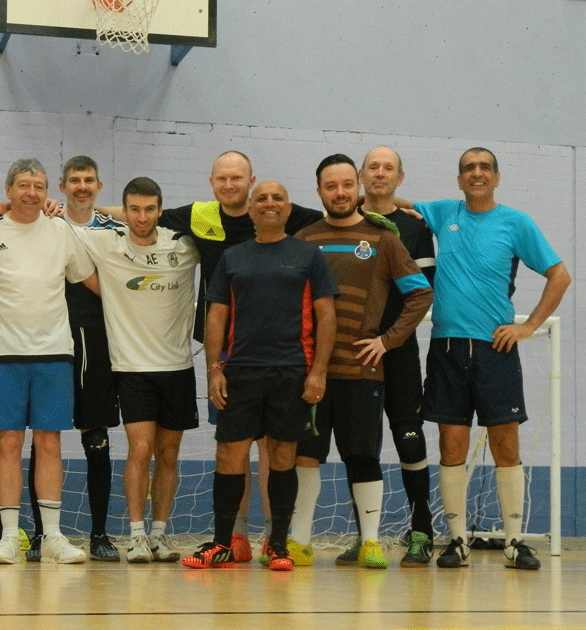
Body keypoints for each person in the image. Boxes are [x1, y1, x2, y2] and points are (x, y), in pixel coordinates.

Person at [99, 151, 323, 563]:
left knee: (274, 451)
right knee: (233, 450)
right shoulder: (200, 215)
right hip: (230, 357)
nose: (229, 185)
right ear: (212, 182)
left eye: (237, 178)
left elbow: (336, 212)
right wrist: (78, 207)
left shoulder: (282, 214)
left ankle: (275, 539)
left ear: (251, 182)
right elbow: (139, 212)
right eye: (222, 178)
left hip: (282, 357)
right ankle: (235, 537)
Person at [412, 147, 569, 570]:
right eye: (469, 168)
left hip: (495, 350)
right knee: (451, 444)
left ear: (497, 177)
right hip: (447, 348)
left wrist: (529, 325)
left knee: (505, 444)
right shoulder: (442, 212)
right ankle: (457, 540)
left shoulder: (516, 222)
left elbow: (559, 274)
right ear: (459, 179)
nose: (477, 173)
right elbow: (394, 204)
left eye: (485, 167)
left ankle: (514, 542)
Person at [181, 180, 338, 571]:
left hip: (292, 372)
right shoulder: (233, 257)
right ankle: (222, 543)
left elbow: (326, 315)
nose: (269, 203)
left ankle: (278, 545)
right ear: (251, 208)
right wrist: (214, 369)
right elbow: (216, 316)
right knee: (229, 454)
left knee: (283, 454)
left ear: (288, 208)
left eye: (277, 198)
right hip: (240, 372)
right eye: (262, 198)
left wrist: (318, 372)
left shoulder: (309, 255)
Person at [293, 154, 433, 569]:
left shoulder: (384, 238)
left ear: (356, 186)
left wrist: (387, 341)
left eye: (345, 185)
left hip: (362, 371)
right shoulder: (303, 240)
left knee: (362, 455)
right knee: (306, 455)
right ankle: (298, 541)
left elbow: (420, 293)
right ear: (319, 191)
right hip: (312, 373)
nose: (339, 193)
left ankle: (372, 542)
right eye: (330, 186)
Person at [0, 158, 95, 564]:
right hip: (2, 354)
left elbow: (88, 277)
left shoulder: (60, 229)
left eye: (38, 186)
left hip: (54, 353)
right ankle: (8, 538)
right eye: (23, 185)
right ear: (8, 190)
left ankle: (52, 536)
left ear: (47, 192)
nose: (31, 193)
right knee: (9, 442)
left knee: (50, 442)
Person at [75, 177, 200, 564]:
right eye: (134, 209)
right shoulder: (106, 244)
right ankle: (137, 536)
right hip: (132, 368)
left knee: (168, 454)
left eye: (149, 209)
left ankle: (160, 535)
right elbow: (60, 225)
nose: (142, 217)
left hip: (178, 367)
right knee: (140, 450)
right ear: (124, 211)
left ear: (160, 210)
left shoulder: (184, 246)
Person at [24, 156, 123, 562]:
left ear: (99, 186)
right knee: (44, 437)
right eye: (74, 180)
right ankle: (41, 533)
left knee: (96, 438)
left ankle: (99, 534)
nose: (82, 186)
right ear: (61, 188)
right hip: (49, 339)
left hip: (97, 340)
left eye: (89, 180)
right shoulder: (46, 223)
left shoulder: (114, 230)